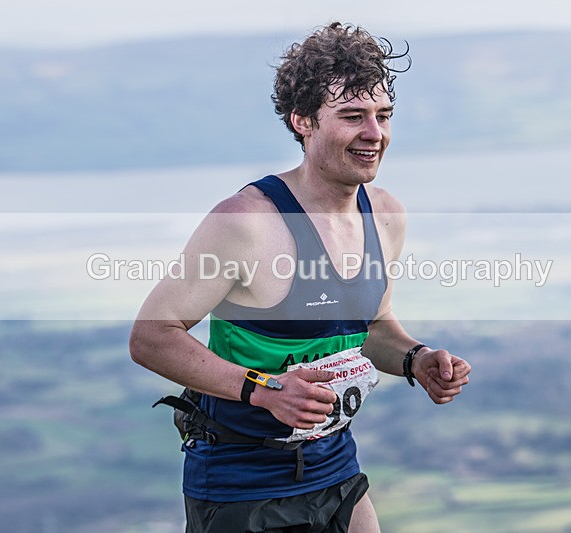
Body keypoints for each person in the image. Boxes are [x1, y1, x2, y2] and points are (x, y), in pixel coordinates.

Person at [130, 22, 471, 533]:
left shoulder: (385, 215)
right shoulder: (247, 222)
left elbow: (370, 327)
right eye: (353, 116)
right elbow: (151, 337)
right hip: (243, 486)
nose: (375, 134)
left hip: (336, 470)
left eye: (383, 116)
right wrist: (265, 390)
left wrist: (415, 358)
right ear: (303, 121)